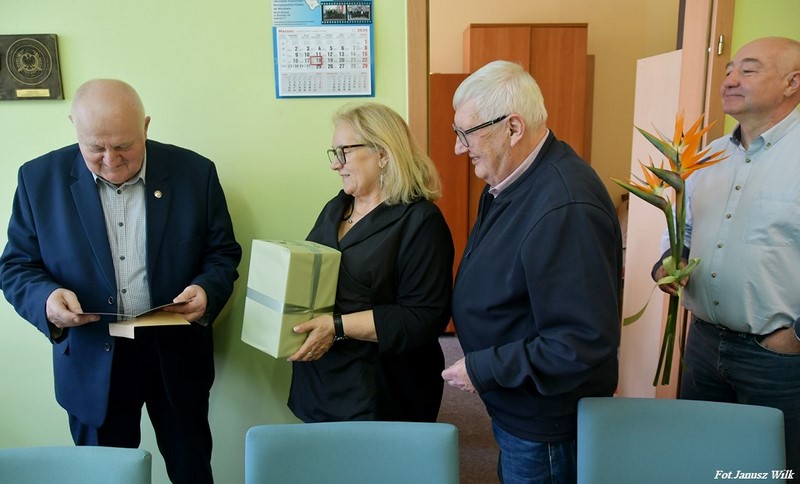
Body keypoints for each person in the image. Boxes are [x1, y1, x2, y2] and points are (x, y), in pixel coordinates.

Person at [0, 79, 242, 484]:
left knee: (191, 470)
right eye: (95, 147)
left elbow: (222, 253)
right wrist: (47, 300)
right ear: (74, 128)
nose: (111, 160)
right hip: (92, 357)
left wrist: (206, 290)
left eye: (124, 146)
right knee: (105, 476)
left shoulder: (195, 173)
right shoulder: (38, 179)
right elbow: (16, 266)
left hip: (174, 354)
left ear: (145, 126)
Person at [441, 60, 622, 483]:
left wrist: (484, 368)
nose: (459, 148)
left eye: (467, 134)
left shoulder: (566, 205)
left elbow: (579, 342)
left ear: (513, 128)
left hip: (545, 421)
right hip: (519, 405)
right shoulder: (513, 180)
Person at [653, 36, 800, 473]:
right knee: (701, 464)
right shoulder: (708, 156)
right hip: (702, 345)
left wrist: (795, 337)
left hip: (777, 357)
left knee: (773, 470)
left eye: (748, 70)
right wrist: (669, 263)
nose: (730, 79)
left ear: (793, 82)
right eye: (729, 69)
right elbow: (684, 229)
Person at [286, 102, 454, 423]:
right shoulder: (336, 208)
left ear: (383, 154)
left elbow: (423, 318)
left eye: (344, 152)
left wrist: (337, 326)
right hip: (320, 379)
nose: (335, 164)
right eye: (334, 153)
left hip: (379, 388)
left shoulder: (420, 222)